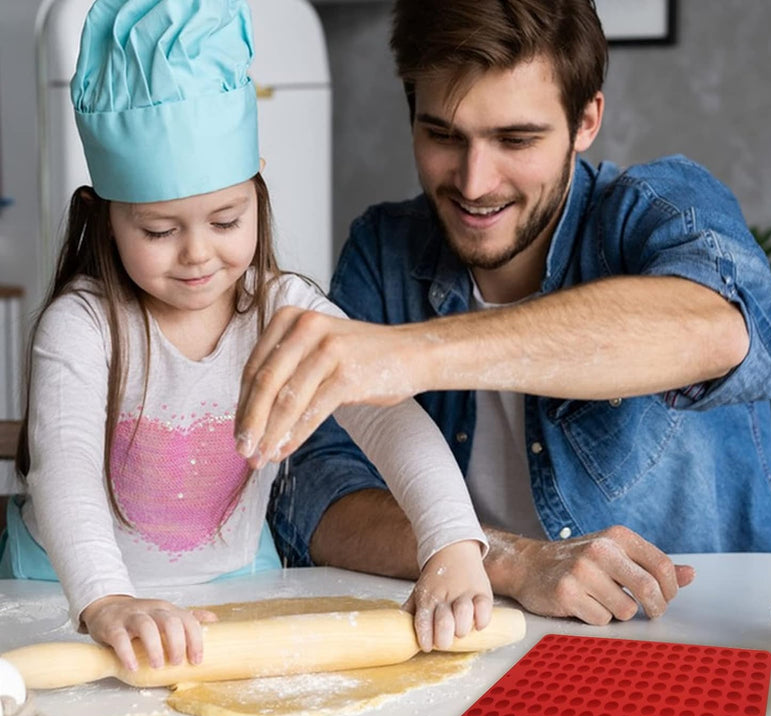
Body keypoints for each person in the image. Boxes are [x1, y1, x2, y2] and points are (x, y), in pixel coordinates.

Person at [234, 0, 771, 624]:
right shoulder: (383, 249)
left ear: (586, 120)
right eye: (443, 135)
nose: (475, 183)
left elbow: (715, 328)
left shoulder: (662, 209)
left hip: (718, 634)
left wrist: (411, 355)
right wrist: (511, 560)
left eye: (516, 139)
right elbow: (316, 491)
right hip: (490, 639)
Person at [0, 0, 494, 671]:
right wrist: (107, 599)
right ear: (102, 216)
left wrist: (453, 546)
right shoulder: (82, 327)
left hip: (240, 585)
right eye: (159, 231)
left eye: (226, 220)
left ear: (257, 190)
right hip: (60, 591)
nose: (198, 255)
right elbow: (65, 473)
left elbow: (390, 421)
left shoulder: (285, 312)